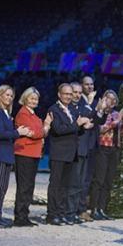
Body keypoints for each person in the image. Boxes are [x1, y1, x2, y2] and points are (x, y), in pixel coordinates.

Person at [0, 85, 32, 229]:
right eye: (7, 95)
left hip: (6, 155)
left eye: (11, 96)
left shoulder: (6, 113)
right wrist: (18, 132)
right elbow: (0, 133)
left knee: (2, 188)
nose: (9, 98)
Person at [46, 83, 91, 226]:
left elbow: (74, 130)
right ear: (59, 95)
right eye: (66, 94)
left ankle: (61, 213)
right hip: (59, 153)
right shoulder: (53, 110)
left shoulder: (72, 109)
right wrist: (77, 125)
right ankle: (52, 215)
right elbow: (58, 129)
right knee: (55, 185)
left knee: (65, 186)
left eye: (70, 94)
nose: (68, 96)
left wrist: (84, 127)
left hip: (71, 154)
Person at [66, 82, 108, 224]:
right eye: (74, 92)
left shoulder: (86, 105)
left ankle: (77, 211)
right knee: (74, 182)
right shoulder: (71, 106)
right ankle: (70, 212)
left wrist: (100, 110)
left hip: (86, 148)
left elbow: (97, 119)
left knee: (81, 182)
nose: (77, 95)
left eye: (78, 92)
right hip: (75, 148)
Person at [13, 87, 51, 227]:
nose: (34, 101)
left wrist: (42, 130)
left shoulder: (34, 115)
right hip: (24, 153)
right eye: (32, 98)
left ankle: (24, 215)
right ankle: (20, 217)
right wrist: (44, 129)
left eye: (36, 99)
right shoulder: (23, 113)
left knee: (29, 186)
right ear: (25, 98)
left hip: (33, 153)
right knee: (24, 186)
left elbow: (37, 132)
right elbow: (35, 133)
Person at [89, 90, 123, 220]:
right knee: (99, 180)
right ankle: (93, 208)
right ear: (104, 100)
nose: (111, 101)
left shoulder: (116, 114)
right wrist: (116, 121)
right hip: (102, 148)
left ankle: (102, 209)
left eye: (113, 99)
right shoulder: (100, 113)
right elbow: (100, 130)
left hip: (114, 149)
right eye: (108, 98)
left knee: (108, 181)